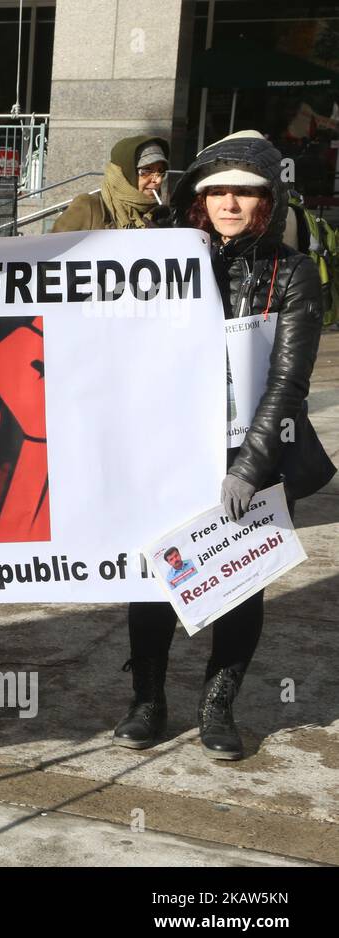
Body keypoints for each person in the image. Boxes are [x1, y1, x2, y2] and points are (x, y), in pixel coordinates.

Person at [112, 130, 335, 760]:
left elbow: (288, 383)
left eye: (245, 191)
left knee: (239, 585)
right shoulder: (168, 262)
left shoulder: (291, 274)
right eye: (218, 192)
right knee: (157, 578)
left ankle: (218, 707)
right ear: (199, 201)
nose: (230, 203)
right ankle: (148, 702)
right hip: (170, 453)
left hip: (253, 457)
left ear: (268, 200)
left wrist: (251, 467)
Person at [51, 135, 169, 232]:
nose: (157, 180)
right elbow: (51, 251)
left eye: (160, 172)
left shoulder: (160, 216)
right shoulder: (89, 207)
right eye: (146, 170)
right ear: (122, 173)